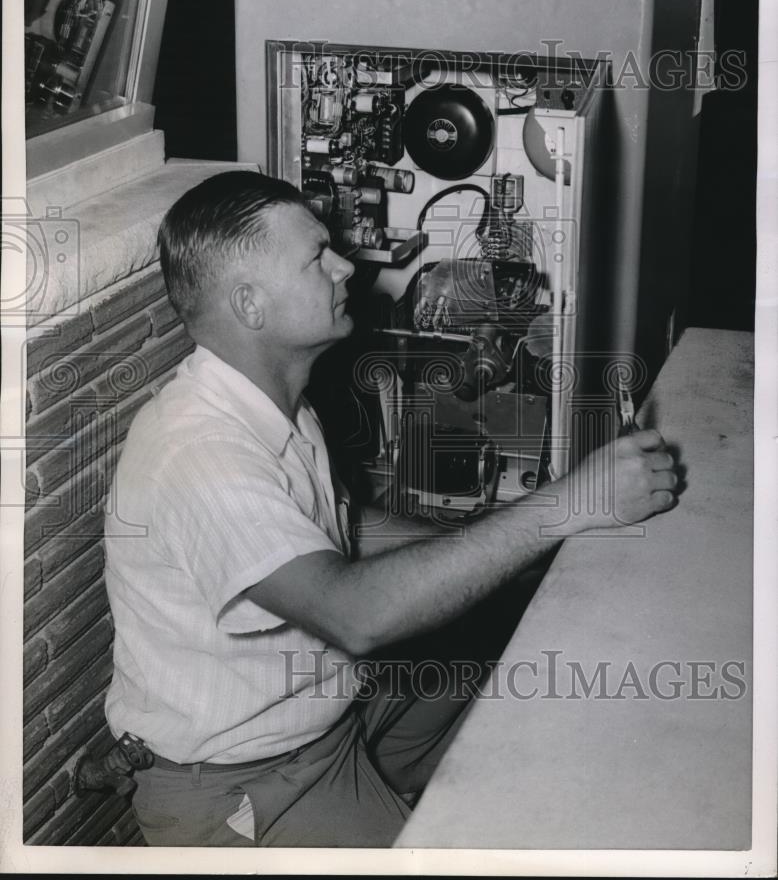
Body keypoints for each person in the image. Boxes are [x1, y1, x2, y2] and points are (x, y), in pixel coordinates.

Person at [103, 170, 678, 847]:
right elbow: (355, 614)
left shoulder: (272, 401)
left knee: (507, 647)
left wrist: (506, 547)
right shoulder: (199, 454)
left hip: (332, 711)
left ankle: (416, 792)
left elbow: (344, 529)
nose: (347, 266)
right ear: (250, 305)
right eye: (318, 256)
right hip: (248, 785)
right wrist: (565, 506)